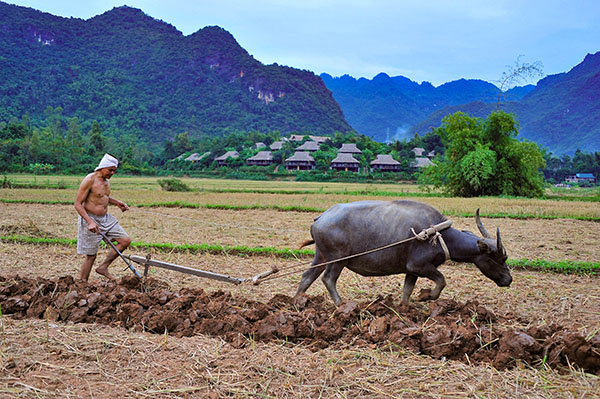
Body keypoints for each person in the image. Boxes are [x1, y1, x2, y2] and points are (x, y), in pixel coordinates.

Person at [74, 153, 131, 281]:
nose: (112, 173)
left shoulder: (106, 182)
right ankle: (83, 283)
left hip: (106, 219)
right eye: (110, 170)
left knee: (125, 241)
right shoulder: (90, 180)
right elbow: (77, 204)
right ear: (102, 167)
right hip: (90, 218)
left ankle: (103, 267)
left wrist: (117, 203)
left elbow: (102, 197)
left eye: (114, 171)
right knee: (91, 255)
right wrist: (90, 222)